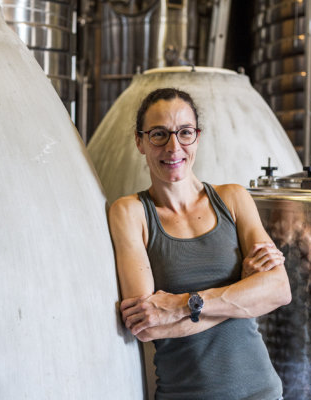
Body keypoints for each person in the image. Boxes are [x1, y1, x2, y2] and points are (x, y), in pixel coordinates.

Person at [108, 88, 291, 399]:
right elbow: (149, 324)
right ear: (139, 141)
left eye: (185, 133)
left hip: (262, 391)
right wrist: (243, 294)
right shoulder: (131, 212)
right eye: (158, 134)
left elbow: (280, 290)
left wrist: (186, 304)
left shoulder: (233, 198)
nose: (173, 146)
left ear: (198, 137)